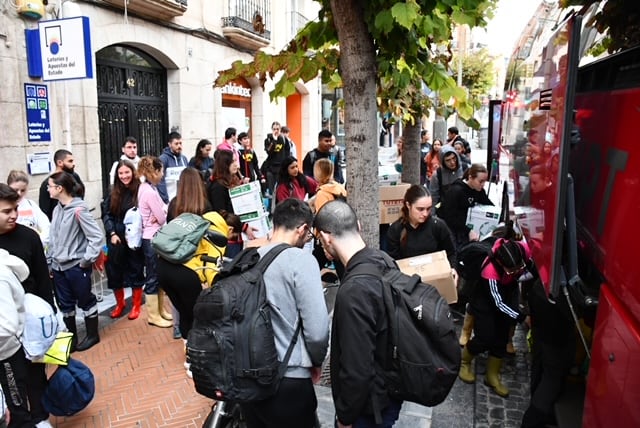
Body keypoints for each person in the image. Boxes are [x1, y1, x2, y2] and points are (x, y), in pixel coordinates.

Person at [239, 198, 329, 428]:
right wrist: (316, 361)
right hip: (289, 378)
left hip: (248, 376)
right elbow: (317, 331)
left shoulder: (249, 258)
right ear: (302, 229)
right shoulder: (302, 261)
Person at [314, 200, 402, 427]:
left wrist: (345, 417)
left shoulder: (353, 290)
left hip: (367, 409)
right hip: (388, 392)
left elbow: (357, 366)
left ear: (326, 237)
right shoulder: (384, 260)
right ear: (359, 226)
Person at [0, 184, 55, 427]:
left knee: (35, 376)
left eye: (15, 209)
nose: (13, 215)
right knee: (12, 385)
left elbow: (43, 281)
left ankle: (41, 418)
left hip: (31, 322)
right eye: (6, 211)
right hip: (5, 333)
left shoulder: (28, 237)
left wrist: (53, 319)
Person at [459, 238, 531, 398]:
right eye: (511, 270)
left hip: (507, 292)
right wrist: (521, 317)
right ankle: (464, 361)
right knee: (485, 336)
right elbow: (498, 303)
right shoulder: (489, 270)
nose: (516, 273)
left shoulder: (523, 250)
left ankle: (492, 375)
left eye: (518, 268)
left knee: (501, 337)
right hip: (485, 301)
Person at [47, 171, 105, 352]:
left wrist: (86, 260)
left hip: (75, 266)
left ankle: (92, 335)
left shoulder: (79, 210)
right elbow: (52, 238)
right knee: (65, 305)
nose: (47, 189)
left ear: (59, 188)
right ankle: (70, 340)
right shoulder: (57, 209)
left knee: (85, 300)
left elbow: (96, 237)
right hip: (58, 267)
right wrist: (50, 260)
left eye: (49, 186)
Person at [0, 249, 50, 428]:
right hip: (7, 351)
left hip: (7, 354)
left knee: (17, 410)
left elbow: (7, 325)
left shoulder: (1, 277)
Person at [101, 160, 145, 320]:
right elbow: (107, 214)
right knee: (114, 272)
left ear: (133, 172)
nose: (124, 176)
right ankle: (120, 304)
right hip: (117, 239)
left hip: (134, 239)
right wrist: (112, 232)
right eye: (121, 173)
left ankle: (136, 304)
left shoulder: (139, 190)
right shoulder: (113, 192)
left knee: (136, 270)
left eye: (127, 172)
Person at [385, 185, 457, 275]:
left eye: (428, 209)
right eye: (420, 209)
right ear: (408, 205)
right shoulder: (396, 230)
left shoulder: (438, 226)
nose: (425, 213)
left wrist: (453, 269)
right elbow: (392, 262)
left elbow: (451, 252)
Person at [137, 156, 172, 328]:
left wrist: (161, 213)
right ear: (155, 171)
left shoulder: (147, 187)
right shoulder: (150, 191)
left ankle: (159, 310)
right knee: (152, 277)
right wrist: (162, 212)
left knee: (157, 276)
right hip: (152, 238)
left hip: (153, 236)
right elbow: (161, 216)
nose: (163, 174)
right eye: (161, 171)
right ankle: (153, 315)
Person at [437, 163, 493, 249]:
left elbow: (488, 204)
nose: (483, 184)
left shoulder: (479, 190)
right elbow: (449, 217)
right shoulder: (455, 191)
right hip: (453, 229)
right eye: (480, 181)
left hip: (466, 226)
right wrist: (468, 231)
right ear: (470, 177)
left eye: (485, 181)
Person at [7, 170, 50, 248]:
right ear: (8, 187)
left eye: (23, 190)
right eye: (15, 190)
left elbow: (46, 225)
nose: (19, 193)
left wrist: (39, 242)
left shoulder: (30, 205)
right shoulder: (4, 206)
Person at [39, 149, 85, 220]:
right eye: (70, 161)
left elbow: (81, 196)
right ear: (60, 162)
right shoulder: (47, 184)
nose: (73, 164)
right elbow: (45, 210)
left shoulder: (75, 176)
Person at [429, 145, 464, 213]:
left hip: (463, 210)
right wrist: (433, 216)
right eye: (448, 160)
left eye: (454, 158)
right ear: (442, 161)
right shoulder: (437, 175)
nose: (452, 162)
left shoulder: (465, 169)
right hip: (444, 210)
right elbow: (434, 198)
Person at [157, 131, 188, 203]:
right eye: (176, 144)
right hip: (169, 200)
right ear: (170, 144)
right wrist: (165, 199)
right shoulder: (163, 159)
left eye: (180, 143)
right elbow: (160, 181)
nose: (179, 146)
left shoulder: (184, 159)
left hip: (184, 199)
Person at [261, 121, 290, 195]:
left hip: (281, 168)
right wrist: (274, 140)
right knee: (271, 191)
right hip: (271, 168)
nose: (276, 131)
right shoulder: (268, 140)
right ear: (272, 129)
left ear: (280, 129)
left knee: (281, 189)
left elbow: (287, 153)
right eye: (274, 129)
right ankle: (271, 205)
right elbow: (269, 152)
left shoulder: (284, 139)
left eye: (278, 129)